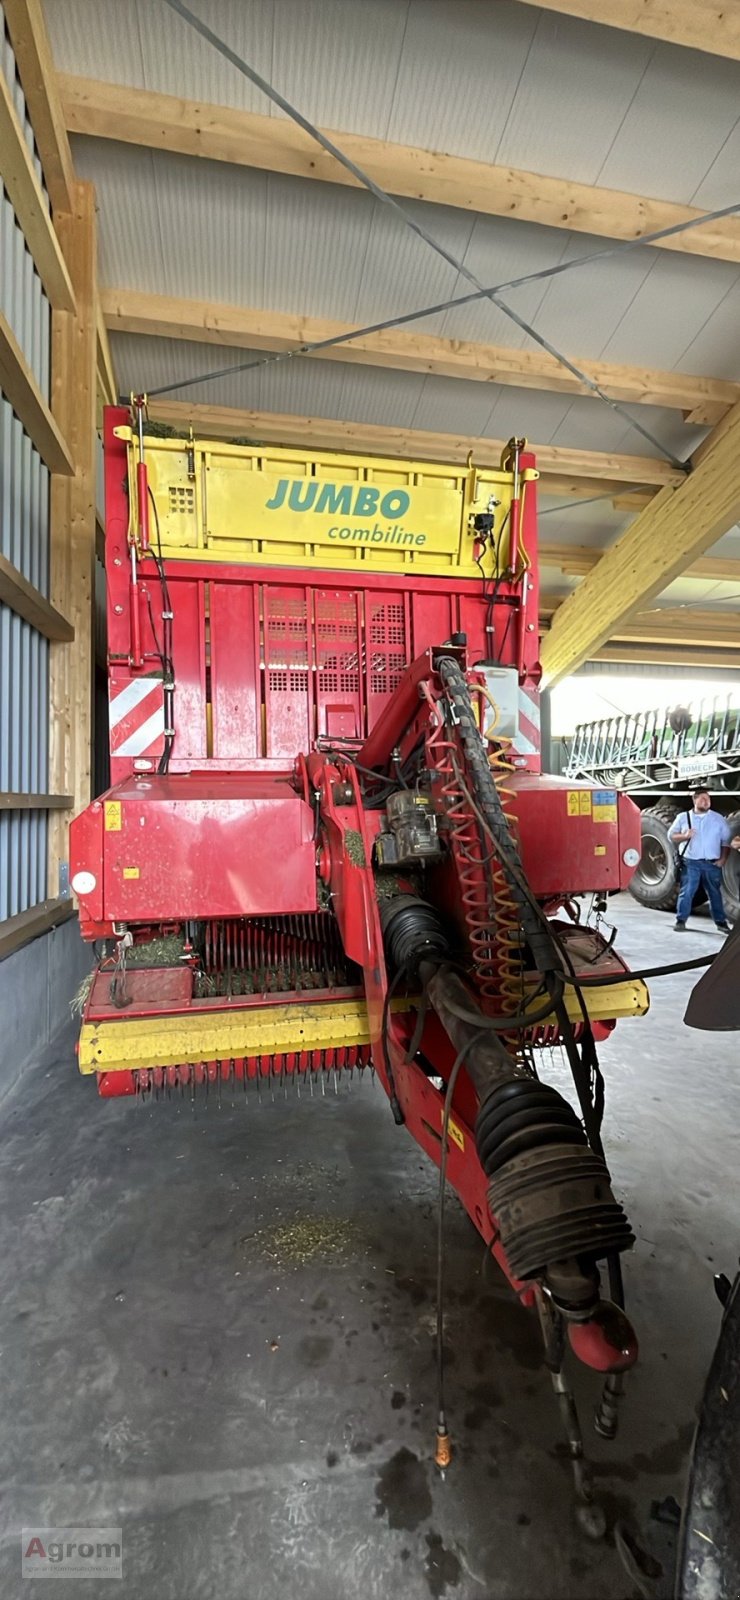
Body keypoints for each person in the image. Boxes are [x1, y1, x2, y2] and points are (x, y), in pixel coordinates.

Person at [668, 788, 733, 933]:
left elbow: (726, 841)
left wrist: (723, 859)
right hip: (691, 863)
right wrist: (684, 836)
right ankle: (680, 921)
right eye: (703, 799)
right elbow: (671, 836)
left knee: (715, 894)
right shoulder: (683, 818)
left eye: (708, 799)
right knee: (687, 892)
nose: (706, 802)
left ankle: (721, 923)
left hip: (712, 864)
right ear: (694, 800)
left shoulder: (718, 819)